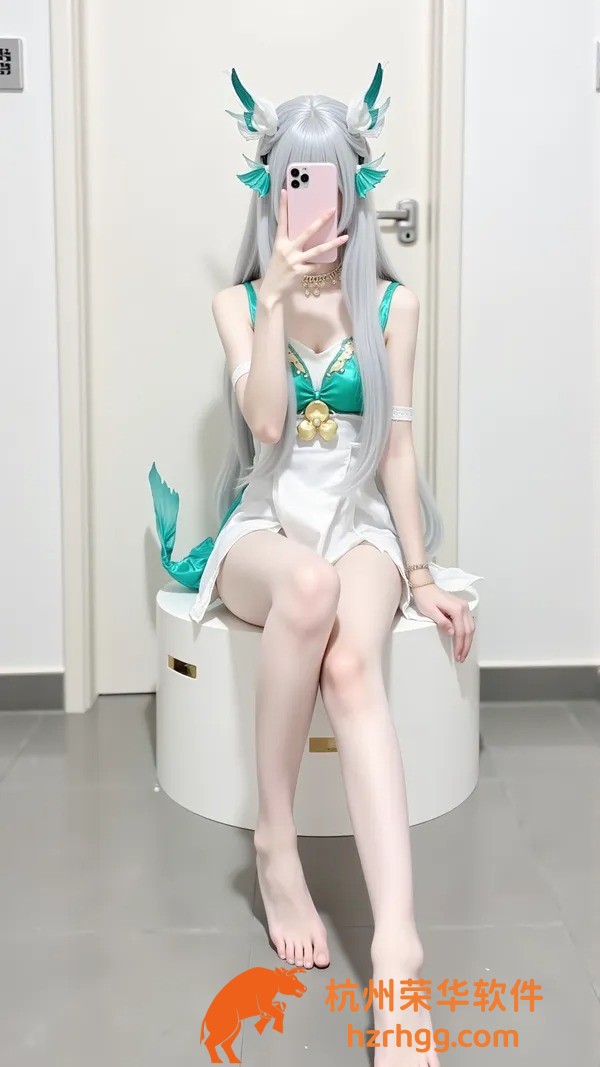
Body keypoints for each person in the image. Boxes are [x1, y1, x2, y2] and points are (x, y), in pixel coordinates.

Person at [150, 63, 483, 1066]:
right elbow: (264, 425)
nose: (311, 198)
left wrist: (421, 575)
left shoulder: (393, 306)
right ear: (269, 189)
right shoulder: (237, 301)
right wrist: (278, 305)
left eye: (326, 177)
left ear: (354, 187)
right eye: (291, 179)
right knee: (306, 585)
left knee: (353, 662)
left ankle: (398, 954)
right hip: (267, 522)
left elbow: (396, 451)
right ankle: (275, 840)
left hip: (362, 522)